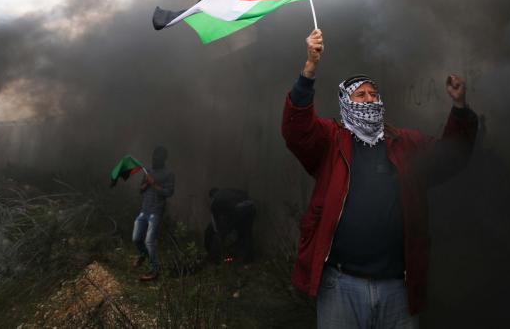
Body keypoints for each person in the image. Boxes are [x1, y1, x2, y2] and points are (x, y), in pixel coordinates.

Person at [282, 28, 478, 328]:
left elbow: (451, 157)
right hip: (340, 285)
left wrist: (460, 108)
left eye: (374, 94)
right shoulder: (331, 140)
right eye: (360, 95)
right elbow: (297, 129)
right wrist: (309, 69)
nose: (369, 99)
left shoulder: (404, 142)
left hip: (396, 288)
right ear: (346, 102)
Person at [132, 145, 175, 282]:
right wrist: (146, 184)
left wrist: (154, 184)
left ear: (164, 159)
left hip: (156, 212)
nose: (154, 160)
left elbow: (169, 192)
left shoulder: (169, 174)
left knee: (149, 241)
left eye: (158, 158)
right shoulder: (148, 170)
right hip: (144, 210)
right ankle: (143, 255)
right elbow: (140, 189)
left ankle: (154, 271)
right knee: (136, 238)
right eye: (153, 157)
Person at [204, 187, 257, 263]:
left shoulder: (214, 201)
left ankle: (214, 259)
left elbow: (215, 225)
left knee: (220, 234)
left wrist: (221, 233)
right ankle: (248, 259)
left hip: (239, 210)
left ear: (211, 197)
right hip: (251, 207)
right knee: (247, 233)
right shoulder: (228, 191)